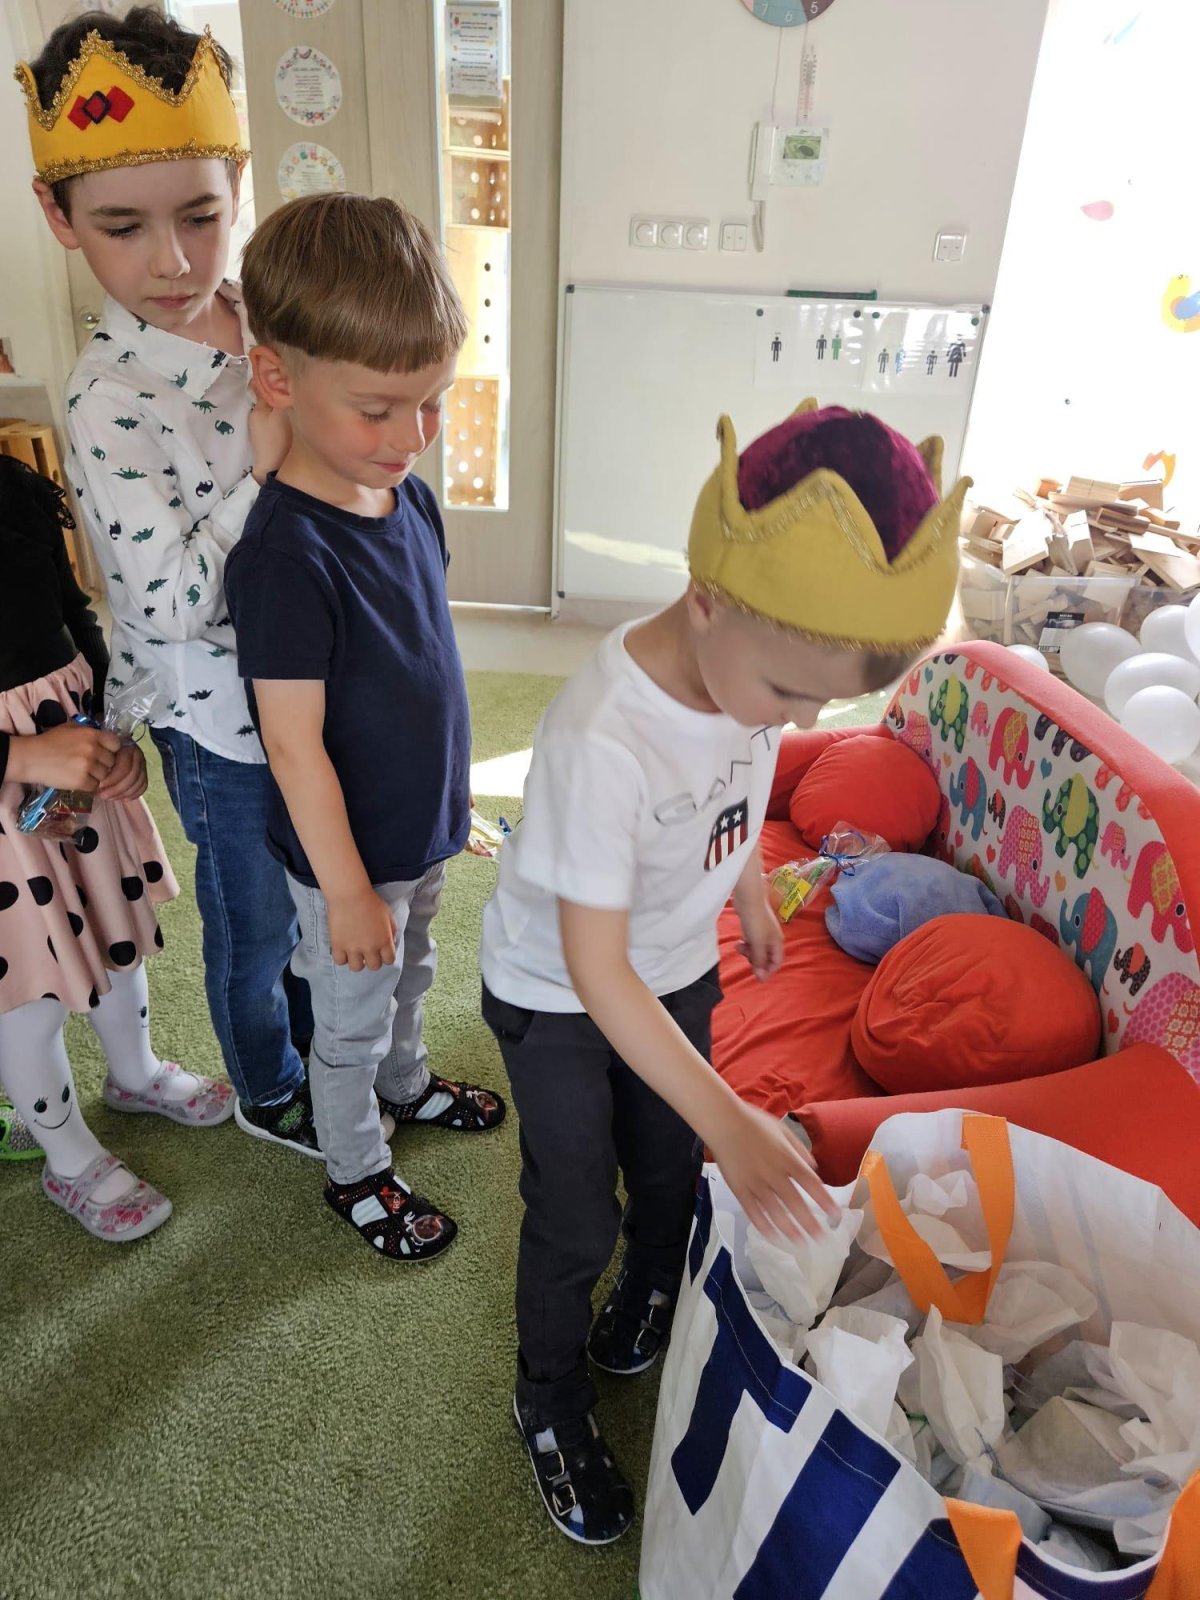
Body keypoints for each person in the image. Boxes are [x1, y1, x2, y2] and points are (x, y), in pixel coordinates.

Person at [480, 400, 967, 1543]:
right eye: (792, 696)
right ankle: (547, 1394)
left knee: (666, 1170)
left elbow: (739, 781)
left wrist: (746, 888)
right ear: (706, 597)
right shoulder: (604, 733)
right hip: (560, 997)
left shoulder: (751, 670)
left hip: (674, 966)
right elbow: (595, 970)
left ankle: (655, 1277)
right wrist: (731, 1116)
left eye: (824, 705)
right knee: (574, 1212)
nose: (800, 720)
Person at [18, 7, 322, 1157]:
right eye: (122, 226)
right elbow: (174, 601)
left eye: (200, 214)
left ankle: (330, 1050)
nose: (174, 261)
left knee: (320, 888)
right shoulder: (108, 402)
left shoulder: (263, 314)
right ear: (59, 216)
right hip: (219, 722)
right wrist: (264, 469)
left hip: (311, 680)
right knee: (254, 922)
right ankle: (269, 1086)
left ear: (238, 182)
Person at [224, 193, 506, 1261]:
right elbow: (292, 744)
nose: (412, 436)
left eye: (431, 402)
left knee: (412, 972)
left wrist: (449, 801)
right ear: (278, 380)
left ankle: (408, 1080)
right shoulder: (283, 558)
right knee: (346, 1018)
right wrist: (345, 889)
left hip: (417, 826)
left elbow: (422, 665)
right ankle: (355, 1168)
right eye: (379, 409)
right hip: (347, 858)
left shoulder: (409, 500)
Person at [0, 456, 232, 1241]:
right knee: (28, 988)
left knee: (113, 927)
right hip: (12, 790)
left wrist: (110, 727)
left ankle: (134, 1073)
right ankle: (67, 1156)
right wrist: (22, 756)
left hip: (73, 752)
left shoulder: (14, 486)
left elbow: (73, 613)